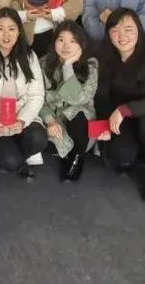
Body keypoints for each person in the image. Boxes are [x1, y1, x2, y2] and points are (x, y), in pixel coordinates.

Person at [94, 8, 145, 202]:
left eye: (128, 29)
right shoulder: (104, 55)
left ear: (139, 30)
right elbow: (101, 97)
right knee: (121, 157)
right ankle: (138, 153)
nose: (121, 36)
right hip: (121, 117)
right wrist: (101, 130)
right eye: (115, 30)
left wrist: (126, 110)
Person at [0, 8, 47, 178]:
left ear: (19, 31)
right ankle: (17, 153)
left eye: (11, 29)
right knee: (10, 162)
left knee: (37, 139)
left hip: (21, 116)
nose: (6, 34)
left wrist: (22, 120)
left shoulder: (29, 56)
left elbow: (37, 96)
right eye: (0, 29)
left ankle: (21, 145)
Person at [40, 20, 98, 182]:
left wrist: (67, 67)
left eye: (73, 41)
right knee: (39, 140)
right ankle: (67, 151)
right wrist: (49, 120)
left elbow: (79, 99)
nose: (66, 46)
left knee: (78, 115)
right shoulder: (43, 63)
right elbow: (38, 98)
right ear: (54, 42)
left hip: (80, 119)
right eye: (61, 40)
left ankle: (77, 157)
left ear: (81, 44)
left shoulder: (91, 64)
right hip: (53, 118)